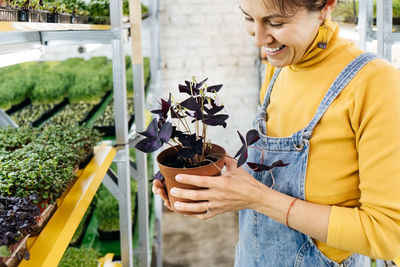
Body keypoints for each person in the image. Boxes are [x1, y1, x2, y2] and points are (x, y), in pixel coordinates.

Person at [153, 0, 400, 266]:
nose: (259, 39)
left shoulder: (375, 84)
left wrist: (258, 198)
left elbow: (386, 234)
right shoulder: (278, 69)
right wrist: (222, 182)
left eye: (276, 23)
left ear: (326, 6)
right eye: (249, 18)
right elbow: (279, 180)